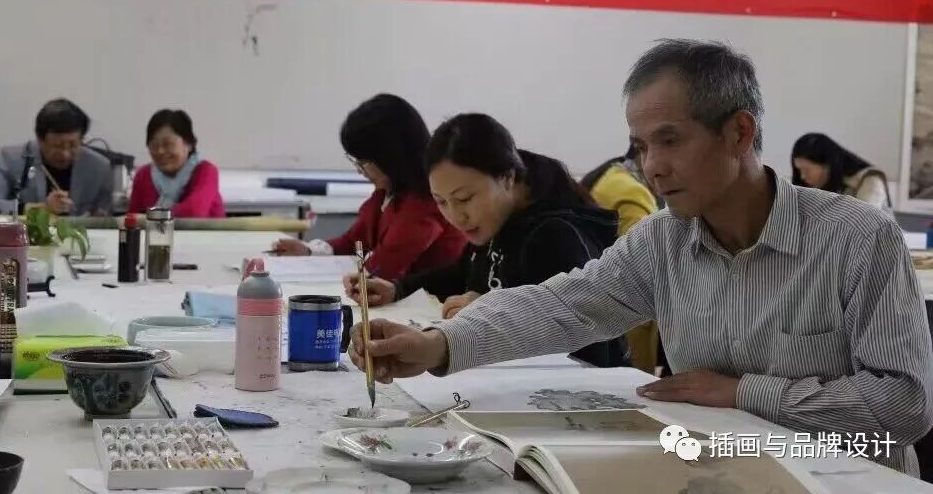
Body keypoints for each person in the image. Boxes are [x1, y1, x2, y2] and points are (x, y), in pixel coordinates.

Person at [349, 40, 933, 476]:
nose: (651, 166)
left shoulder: (857, 238)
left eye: (670, 140)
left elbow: (906, 405)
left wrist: (742, 392)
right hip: (723, 474)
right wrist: (440, 344)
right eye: (641, 146)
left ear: (739, 133)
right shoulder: (664, 241)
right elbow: (564, 306)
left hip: (851, 479)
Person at [346, 113, 628, 368]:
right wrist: (398, 289)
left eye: (464, 198)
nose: (456, 216)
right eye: (441, 202)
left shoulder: (555, 236)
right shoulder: (497, 218)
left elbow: (582, 340)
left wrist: (487, 315)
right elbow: (463, 270)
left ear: (507, 178)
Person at [272, 94, 465, 282]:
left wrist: (356, 271)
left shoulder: (423, 205)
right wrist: (308, 251)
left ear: (390, 157)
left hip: (430, 299)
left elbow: (383, 269)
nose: (359, 170)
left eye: (363, 162)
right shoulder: (386, 192)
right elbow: (354, 242)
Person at [581, 145, 660, 373]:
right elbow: (644, 273)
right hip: (627, 332)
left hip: (601, 323)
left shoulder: (609, 177)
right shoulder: (633, 194)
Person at [0, 98, 112, 215]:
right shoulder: (13, 159)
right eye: (57, 146)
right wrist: (37, 209)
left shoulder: (99, 167)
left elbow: (109, 212)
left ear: (82, 139)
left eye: (73, 145)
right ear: (40, 140)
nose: (65, 154)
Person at [129, 109, 224, 218]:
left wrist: (153, 217)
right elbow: (133, 219)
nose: (160, 151)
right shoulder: (143, 175)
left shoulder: (206, 171)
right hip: (156, 230)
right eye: (154, 145)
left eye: (168, 144)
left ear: (189, 144)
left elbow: (194, 212)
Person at [791, 133, 891, 210]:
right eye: (799, 170)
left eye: (807, 170)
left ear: (827, 166)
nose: (802, 176)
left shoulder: (871, 181)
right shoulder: (822, 187)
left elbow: (864, 225)